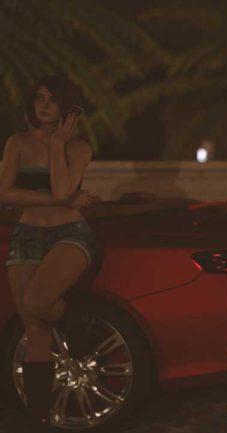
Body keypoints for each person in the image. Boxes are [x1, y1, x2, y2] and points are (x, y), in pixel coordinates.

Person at [0, 75, 102, 429]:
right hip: (27, 233)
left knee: (35, 303)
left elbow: (61, 190)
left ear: (66, 106)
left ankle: (76, 321)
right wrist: (57, 199)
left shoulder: (78, 148)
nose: (44, 105)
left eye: (52, 100)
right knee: (34, 328)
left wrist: (57, 144)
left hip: (69, 233)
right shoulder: (18, 143)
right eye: (39, 98)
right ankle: (39, 417)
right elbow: (4, 193)